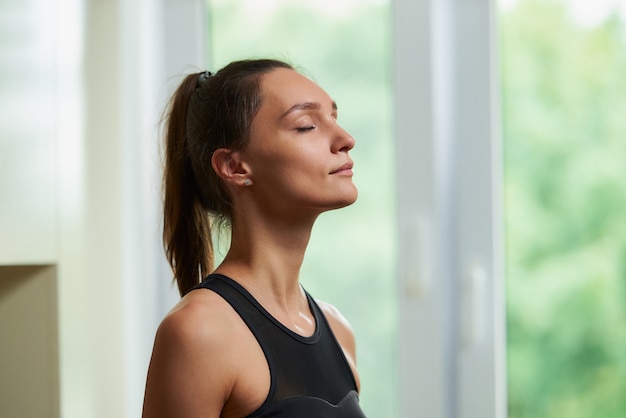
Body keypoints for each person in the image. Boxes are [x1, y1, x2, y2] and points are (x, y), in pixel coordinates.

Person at [141, 59, 367, 418]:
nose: (345, 139)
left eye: (334, 118)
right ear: (234, 167)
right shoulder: (199, 331)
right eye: (307, 125)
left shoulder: (339, 331)